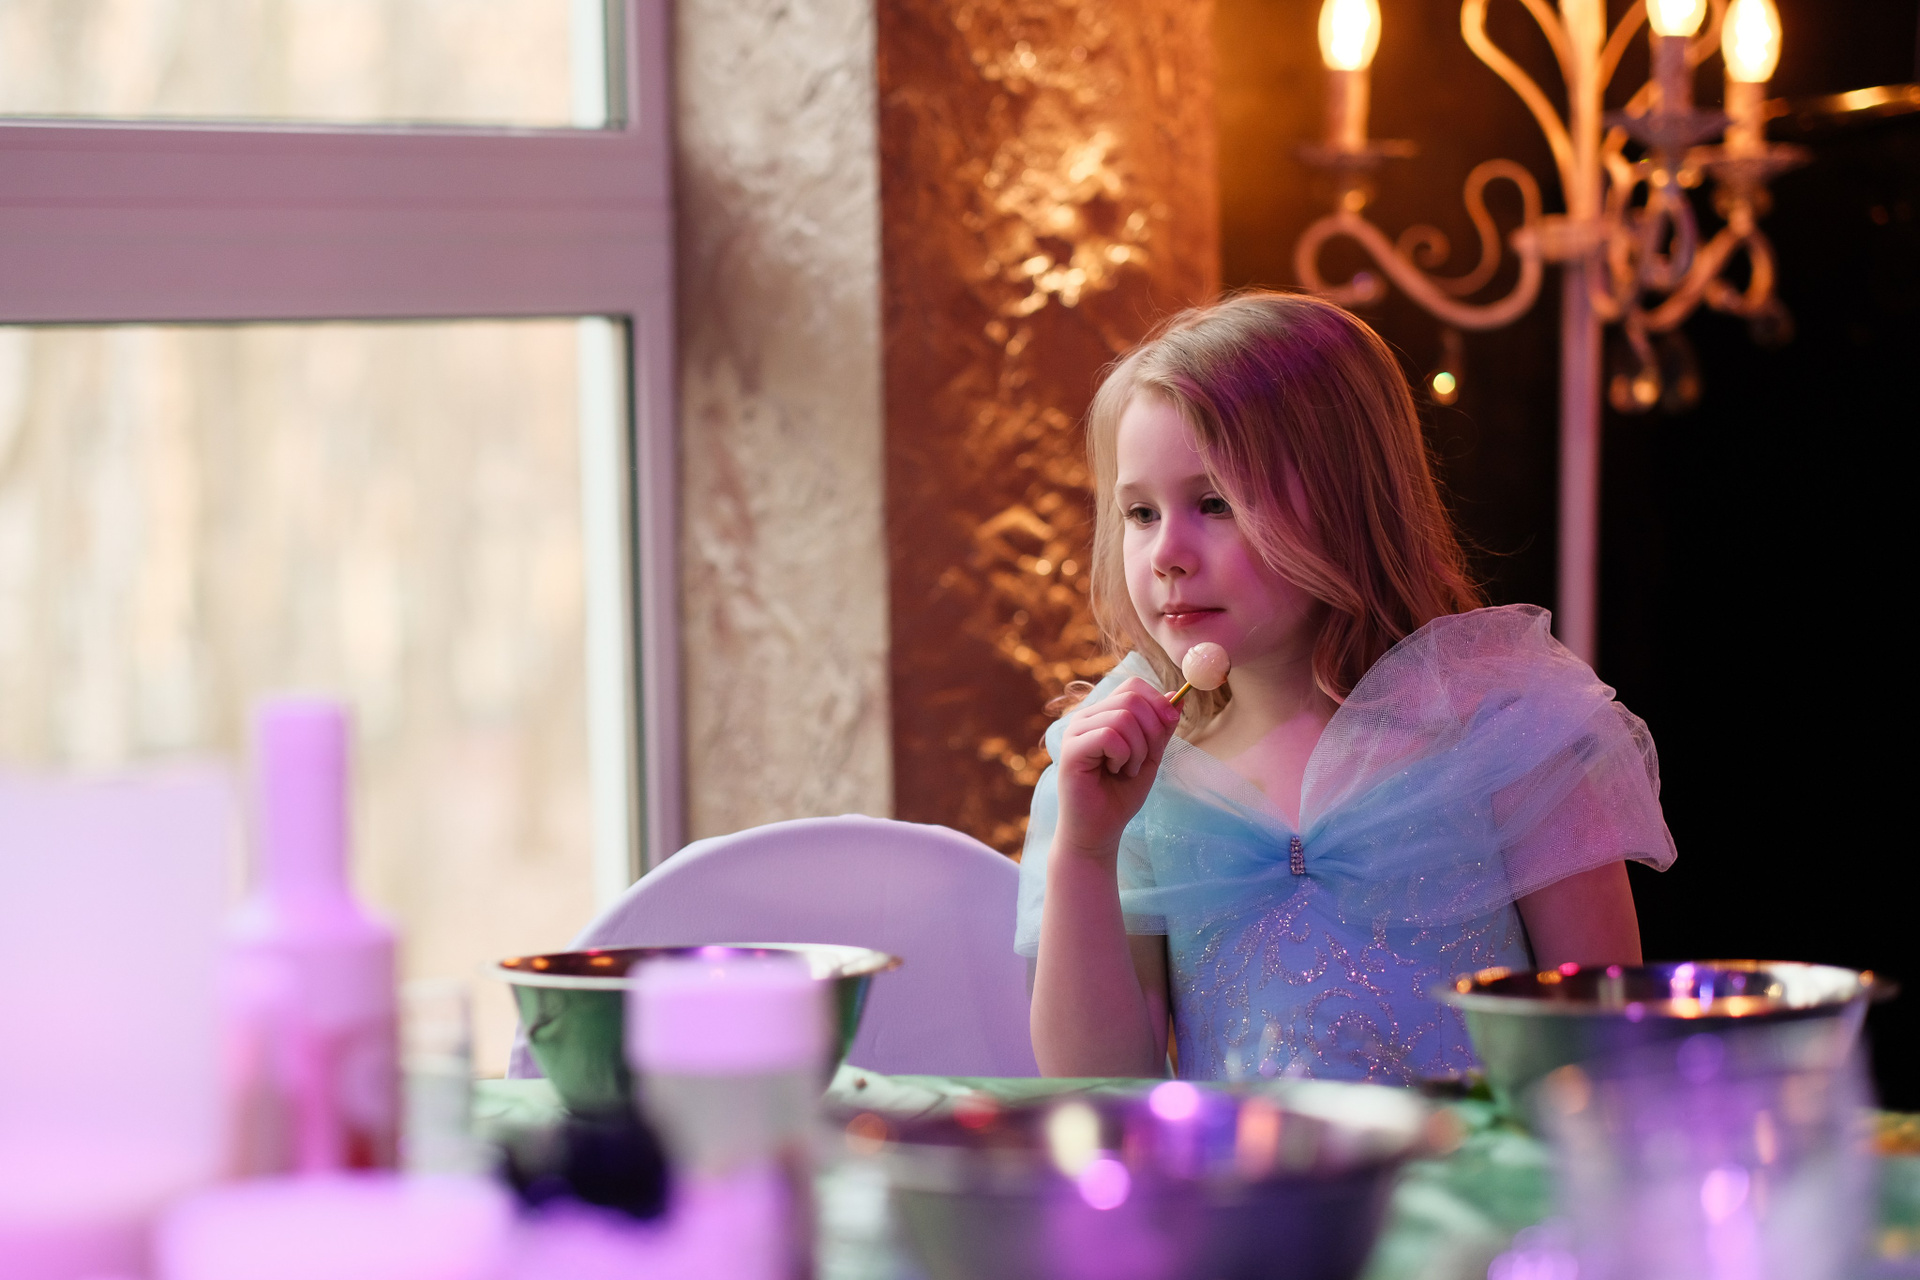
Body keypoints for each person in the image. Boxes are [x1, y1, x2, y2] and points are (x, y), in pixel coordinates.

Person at [1018, 292, 1675, 1082]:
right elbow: (1097, 1088)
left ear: (1347, 499)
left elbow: (1605, 1047)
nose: (1167, 554)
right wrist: (1087, 850)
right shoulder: (1136, 781)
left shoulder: (1505, 734)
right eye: (1140, 513)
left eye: (1215, 503)